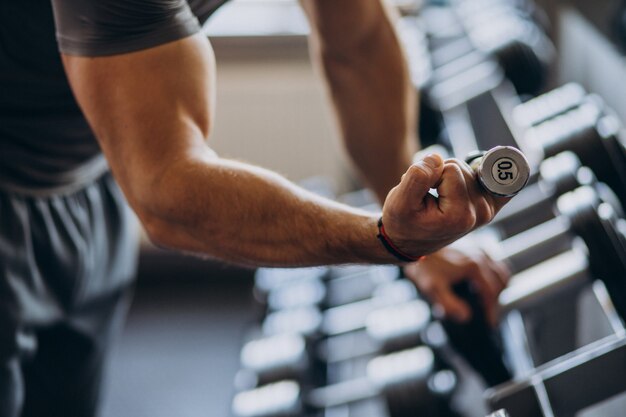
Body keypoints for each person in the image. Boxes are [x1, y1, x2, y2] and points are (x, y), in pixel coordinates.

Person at [0, 1, 511, 416]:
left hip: (84, 179)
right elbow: (167, 187)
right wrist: (385, 240)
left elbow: (357, 44)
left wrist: (413, 204)